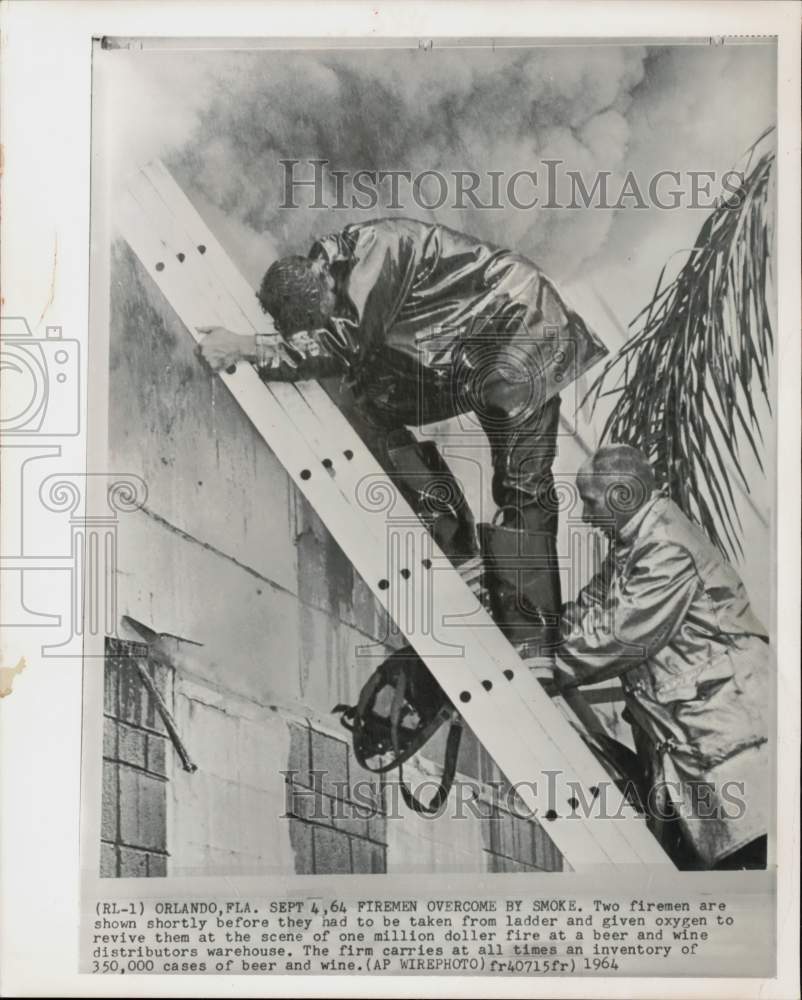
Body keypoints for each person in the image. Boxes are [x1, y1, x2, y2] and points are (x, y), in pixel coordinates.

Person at [198, 217, 607, 642]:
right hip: (465, 350)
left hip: (522, 327)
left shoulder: (375, 250)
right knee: (361, 403)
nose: (323, 324)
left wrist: (248, 346)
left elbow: (344, 343)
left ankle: (532, 637)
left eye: (322, 316)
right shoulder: (334, 277)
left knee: (523, 484)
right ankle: (455, 545)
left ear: (322, 275)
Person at [556, 444, 770, 870]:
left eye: (591, 502)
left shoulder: (666, 547)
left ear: (621, 496)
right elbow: (584, 612)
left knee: (743, 883)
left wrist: (541, 665)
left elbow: (618, 638)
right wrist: (534, 635)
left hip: (730, 748)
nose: (584, 517)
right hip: (700, 752)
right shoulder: (632, 547)